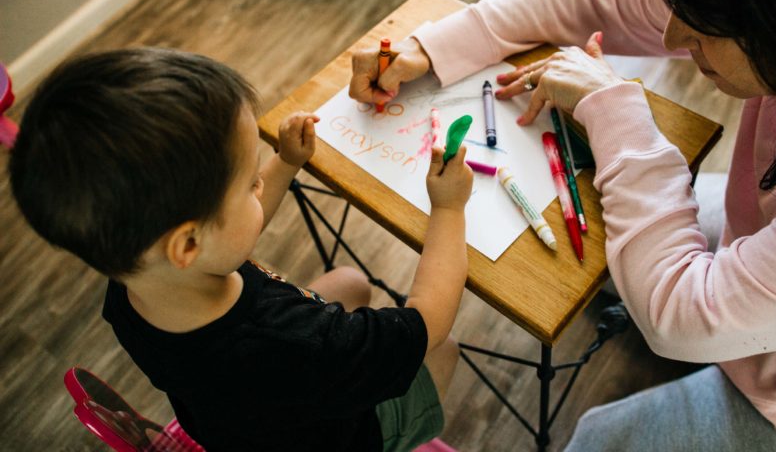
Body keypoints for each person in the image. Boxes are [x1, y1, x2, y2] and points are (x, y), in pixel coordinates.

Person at [348, 0, 776, 449]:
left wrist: (615, 108)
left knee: (598, 437)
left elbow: (681, 315)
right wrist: (430, 47)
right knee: (612, 244)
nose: (674, 37)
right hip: (775, 255)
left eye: (703, 24)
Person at [9, 47, 474, 451]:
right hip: (340, 438)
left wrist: (286, 162)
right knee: (445, 349)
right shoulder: (297, 344)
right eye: (251, 183)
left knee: (350, 282)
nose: (260, 184)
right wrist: (449, 208)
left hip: (239, 428)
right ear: (188, 243)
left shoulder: (133, 281)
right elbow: (427, 324)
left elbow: (226, 235)